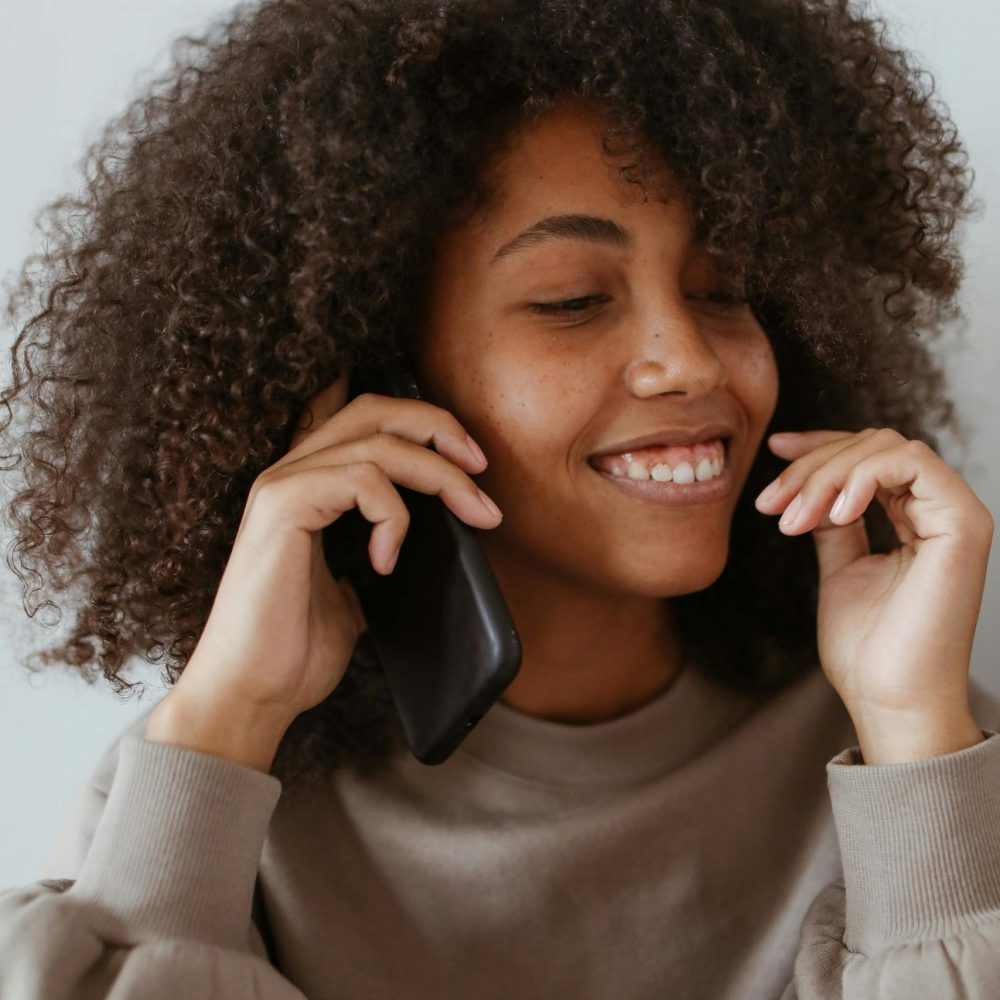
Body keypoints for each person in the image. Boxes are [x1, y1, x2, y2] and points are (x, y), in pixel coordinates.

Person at [0, 0, 997, 996]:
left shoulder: (918, 751)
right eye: (570, 299)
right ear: (383, 383)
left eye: (722, 288)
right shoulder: (214, 792)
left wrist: (912, 733)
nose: (688, 360)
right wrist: (231, 712)